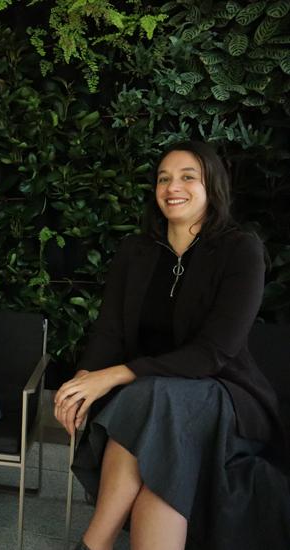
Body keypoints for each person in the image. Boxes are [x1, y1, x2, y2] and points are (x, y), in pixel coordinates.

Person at [54, 141, 290, 550]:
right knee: (161, 469)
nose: (172, 186)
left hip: (226, 396)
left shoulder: (240, 249)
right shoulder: (136, 251)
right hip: (156, 404)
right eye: (164, 178)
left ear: (212, 185)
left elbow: (214, 352)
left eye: (187, 177)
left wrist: (112, 377)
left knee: (152, 394)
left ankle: (95, 543)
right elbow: (109, 331)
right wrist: (82, 381)